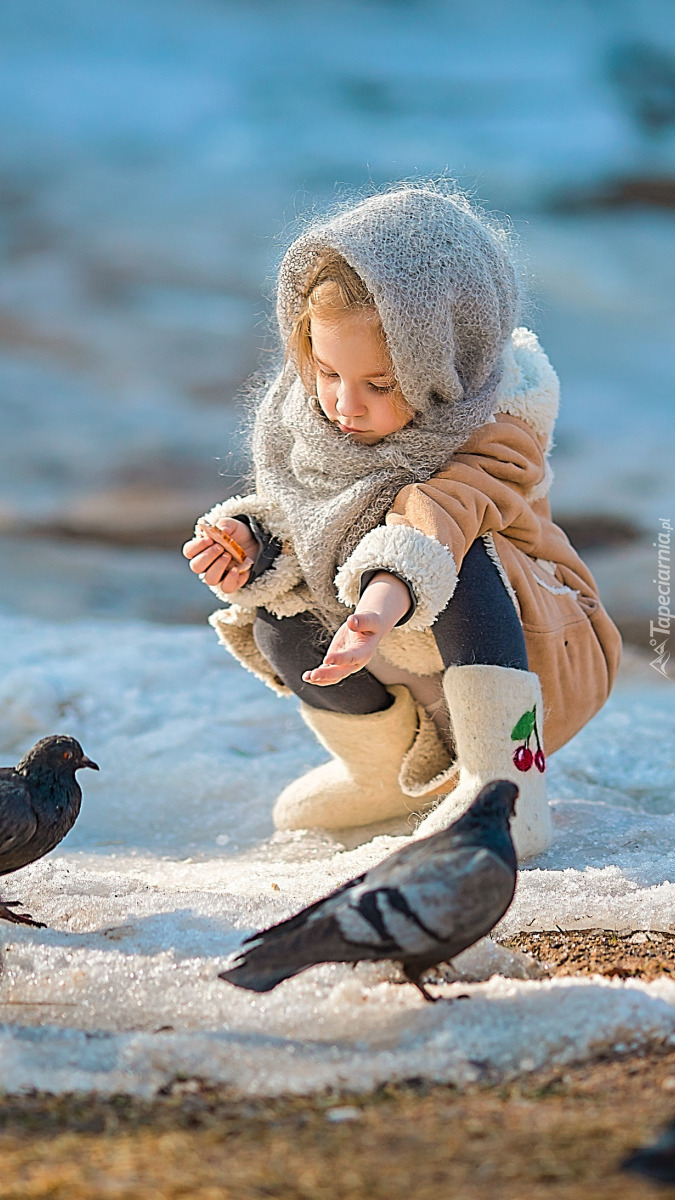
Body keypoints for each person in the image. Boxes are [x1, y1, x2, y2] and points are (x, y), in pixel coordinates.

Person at [183, 184, 622, 859]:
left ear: (446, 357)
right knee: (277, 606)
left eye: (378, 385)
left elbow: (436, 519)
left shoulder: (497, 426)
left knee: (458, 550)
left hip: (538, 649)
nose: (342, 404)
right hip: (404, 652)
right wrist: (253, 543)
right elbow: (311, 518)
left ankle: (505, 791)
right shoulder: (309, 415)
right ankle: (385, 775)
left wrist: (379, 603)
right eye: (326, 372)